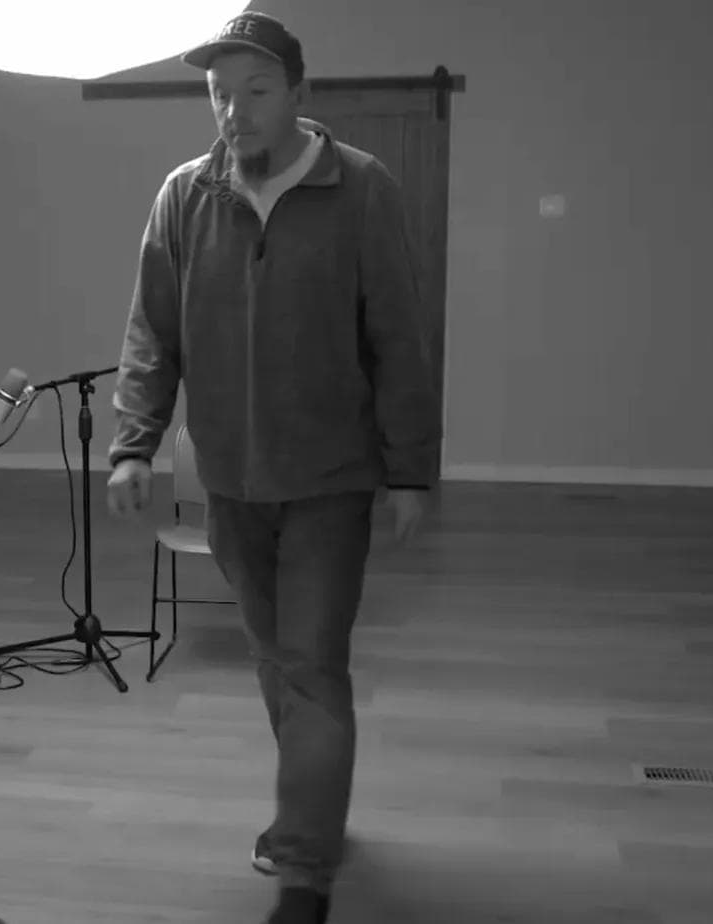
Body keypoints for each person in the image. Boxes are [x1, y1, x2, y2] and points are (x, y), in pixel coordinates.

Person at [104, 11, 441, 924]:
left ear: (298, 93)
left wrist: (410, 471)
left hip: (331, 480)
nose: (235, 111)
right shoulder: (185, 195)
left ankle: (302, 873)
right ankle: (317, 817)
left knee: (313, 667)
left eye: (256, 91)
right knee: (272, 660)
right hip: (230, 483)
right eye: (220, 94)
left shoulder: (362, 190)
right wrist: (135, 442)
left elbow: (399, 340)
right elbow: (153, 334)